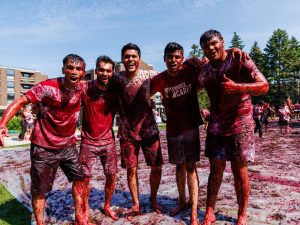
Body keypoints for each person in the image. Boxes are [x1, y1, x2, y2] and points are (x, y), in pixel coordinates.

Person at [0, 54, 86, 225]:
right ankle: (40, 223)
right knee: (39, 189)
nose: (74, 72)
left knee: (80, 179)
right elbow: (20, 102)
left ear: (83, 72)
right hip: (43, 146)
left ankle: (79, 219)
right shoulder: (48, 87)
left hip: (68, 145)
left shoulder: (82, 89)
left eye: (78, 69)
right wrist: (2, 124)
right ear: (63, 70)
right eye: (70, 67)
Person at [196, 30, 269, 225]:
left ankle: (242, 215)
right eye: (206, 46)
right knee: (215, 169)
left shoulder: (239, 60)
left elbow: (264, 85)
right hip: (217, 125)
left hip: (240, 123)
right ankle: (210, 211)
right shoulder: (205, 69)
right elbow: (193, 87)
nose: (210, 48)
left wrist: (238, 87)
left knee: (240, 171)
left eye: (214, 43)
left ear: (222, 42)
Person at [150, 42, 203, 225]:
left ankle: (194, 209)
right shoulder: (159, 79)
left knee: (191, 167)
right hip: (173, 129)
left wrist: (232, 50)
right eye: (169, 57)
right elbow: (143, 96)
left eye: (177, 57)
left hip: (190, 127)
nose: (173, 60)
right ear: (164, 59)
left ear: (182, 58)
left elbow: (213, 56)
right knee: (179, 167)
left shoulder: (190, 69)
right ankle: (182, 202)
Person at [113, 43, 164, 216]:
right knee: (131, 169)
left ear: (139, 59)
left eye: (134, 56)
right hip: (127, 132)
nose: (130, 59)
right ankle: (136, 203)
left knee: (156, 167)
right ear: (122, 59)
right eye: (127, 56)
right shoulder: (116, 78)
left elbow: (173, 75)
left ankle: (153, 198)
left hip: (149, 130)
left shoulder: (149, 75)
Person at [72, 56, 119, 224]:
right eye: (101, 70)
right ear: (96, 70)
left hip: (108, 141)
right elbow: (70, 106)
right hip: (88, 141)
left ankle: (107, 205)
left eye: (108, 70)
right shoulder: (85, 88)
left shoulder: (115, 90)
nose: (105, 73)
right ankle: (82, 213)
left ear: (112, 72)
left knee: (112, 175)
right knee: (83, 179)